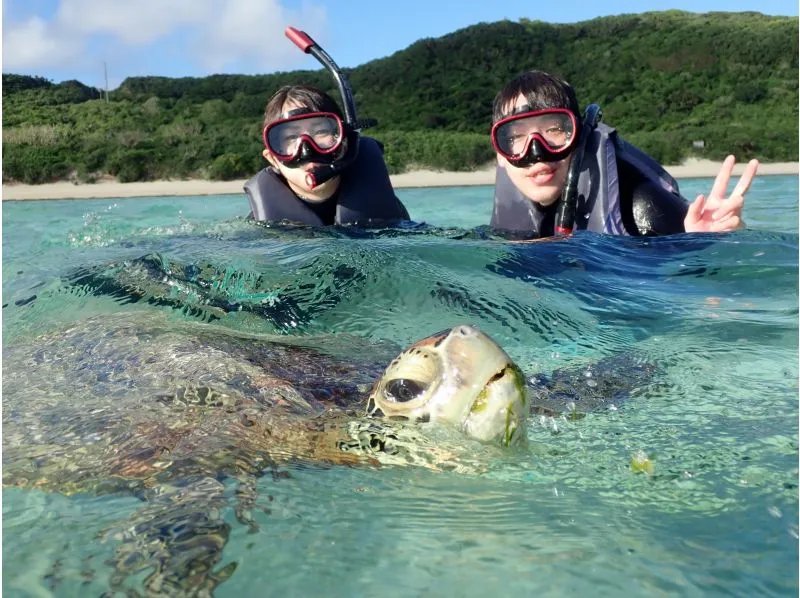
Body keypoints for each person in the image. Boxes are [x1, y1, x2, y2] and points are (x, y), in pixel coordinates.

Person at [489, 70, 758, 238]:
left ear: (578, 135)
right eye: (514, 137)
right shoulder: (512, 223)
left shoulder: (643, 208)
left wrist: (699, 244)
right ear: (500, 154)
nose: (536, 151)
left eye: (554, 130)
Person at [244, 84, 409, 227]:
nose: (307, 150)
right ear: (273, 158)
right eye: (291, 137)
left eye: (321, 132)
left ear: (345, 142)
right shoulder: (261, 225)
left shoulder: (385, 209)